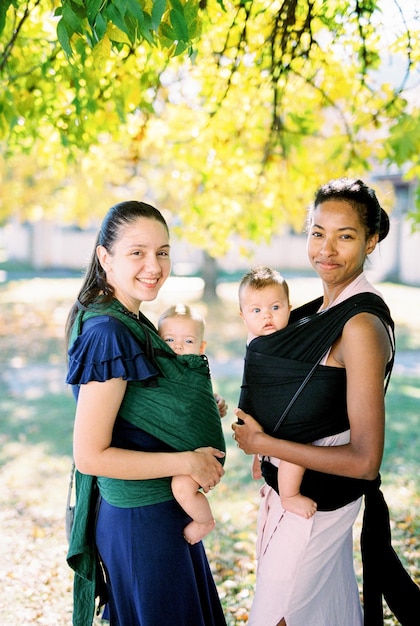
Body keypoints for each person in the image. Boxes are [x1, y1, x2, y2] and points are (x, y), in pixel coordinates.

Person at [232, 178, 420, 626]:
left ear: (372, 240)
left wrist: (265, 445)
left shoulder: (359, 325)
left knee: (276, 619)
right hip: (297, 502)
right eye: (318, 232)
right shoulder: (316, 311)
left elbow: (364, 461)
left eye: (346, 235)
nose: (327, 249)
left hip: (316, 510)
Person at [65, 200, 227, 626]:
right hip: (141, 523)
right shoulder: (109, 334)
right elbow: (91, 456)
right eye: (137, 252)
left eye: (163, 251)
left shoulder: (129, 320)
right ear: (105, 257)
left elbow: (142, 411)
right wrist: (188, 461)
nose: (153, 265)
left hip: (160, 514)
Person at [238, 266, 317, 518]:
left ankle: (276, 475)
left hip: (279, 413)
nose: (267, 316)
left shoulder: (274, 339)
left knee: (295, 447)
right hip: (267, 415)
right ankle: (289, 495)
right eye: (257, 310)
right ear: (243, 316)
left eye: (275, 307)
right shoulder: (259, 344)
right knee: (295, 448)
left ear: (289, 309)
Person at [158, 303, 217, 544]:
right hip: (185, 448)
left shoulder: (195, 368)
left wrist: (214, 402)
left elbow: (199, 397)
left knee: (182, 488)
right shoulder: (164, 369)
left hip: (204, 450)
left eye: (188, 341)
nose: (179, 346)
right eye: (169, 339)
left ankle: (205, 521)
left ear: (201, 347)